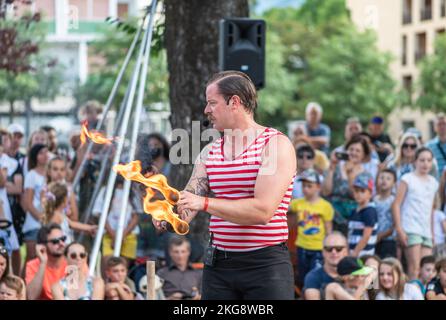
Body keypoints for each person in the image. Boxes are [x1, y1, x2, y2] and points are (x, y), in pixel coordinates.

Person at [171, 71, 296, 300]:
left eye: (212, 103)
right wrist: (168, 216)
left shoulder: (276, 145)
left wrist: (204, 203)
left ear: (234, 102)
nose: (206, 110)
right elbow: (189, 204)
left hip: (265, 266)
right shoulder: (210, 151)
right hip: (219, 266)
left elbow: (263, 211)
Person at [392, 147, 439, 280]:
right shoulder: (408, 178)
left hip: (426, 231)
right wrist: (399, 229)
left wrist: (433, 233)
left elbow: (431, 210)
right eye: (422, 160)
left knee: (427, 270)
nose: (425, 163)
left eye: (429, 160)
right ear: (415, 161)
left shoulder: (433, 182)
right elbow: (396, 204)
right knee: (414, 268)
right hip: (410, 228)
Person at [288, 169, 334, 287]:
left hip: (318, 247)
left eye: (309, 186)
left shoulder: (325, 206)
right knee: (302, 275)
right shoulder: (298, 203)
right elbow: (285, 206)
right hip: (301, 246)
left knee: (315, 276)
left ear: (318, 187)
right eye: (303, 185)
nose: (305, 189)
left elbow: (329, 229)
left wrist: (329, 247)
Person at [322, 135, 376, 230]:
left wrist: (350, 173)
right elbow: (326, 192)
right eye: (351, 149)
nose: (353, 153)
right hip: (331, 220)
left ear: (363, 155)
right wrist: (332, 167)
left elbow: (355, 195)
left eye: (358, 150)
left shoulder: (366, 175)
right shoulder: (336, 168)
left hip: (354, 221)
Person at [92, 175, 139, 263]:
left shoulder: (133, 192)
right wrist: (114, 236)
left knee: (121, 268)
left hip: (128, 235)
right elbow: (100, 215)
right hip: (109, 234)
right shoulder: (106, 190)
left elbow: (135, 217)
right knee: (108, 264)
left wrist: (121, 236)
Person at [22, 144, 49, 263]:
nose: (45, 155)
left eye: (46, 152)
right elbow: (28, 203)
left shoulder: (50, 175)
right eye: (41, 153)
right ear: (35, 156)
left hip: (47, 223)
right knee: (31, 258)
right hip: (33, 224)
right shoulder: (31, 175)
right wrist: (42, 218)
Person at [25, 223, 68, 300]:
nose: (61, 244)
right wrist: (43, 263)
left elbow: (76, 295)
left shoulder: (72, 262)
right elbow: (31, 297)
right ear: (43, 245)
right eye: (55, 241)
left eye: (63, 239)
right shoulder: (32, 265)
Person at [303, 232, 348, 300]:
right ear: (323, 251)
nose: (334, 252)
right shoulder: (313, 277)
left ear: (346, 251)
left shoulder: (356, 274)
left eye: (338, 248)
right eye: (329, 248)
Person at [0, 131, 21, 274]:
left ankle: (12, 278)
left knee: (11, 247)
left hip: (3, 212)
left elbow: (2, 183)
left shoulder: (7, 161)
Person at [157, 236, 202, 300]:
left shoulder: (199, 274)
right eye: (176, 252)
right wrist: (169, 298)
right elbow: (154, 296)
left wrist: (197, 297)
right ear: (170, 252)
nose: (180, 255)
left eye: (183, 251)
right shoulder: (161, 273)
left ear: (188, 252)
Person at [348, 172, 378, 257]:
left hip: (364, 255)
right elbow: (350, 233)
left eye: (362, 191)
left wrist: (355, 253)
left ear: (370, 193)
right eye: (356, 191)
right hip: (352, 252)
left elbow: (366, 236)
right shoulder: (354, 211)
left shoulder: (369, 211)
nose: (359, 194)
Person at [47, 156, 79, 222]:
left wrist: (68, 215)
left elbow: (75, 218)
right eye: (55, 169)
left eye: (62, 170)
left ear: (65, 172)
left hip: (64, 228)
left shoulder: (69, 190)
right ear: (49, 172)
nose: (59, 172)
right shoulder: (45, 189)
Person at [374, 169, 397, 259]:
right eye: (381, 178)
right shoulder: (374, 199)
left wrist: (382, 235)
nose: (384, 181)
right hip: (374, 238)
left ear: (394, 183)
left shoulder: (393, 200)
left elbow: (395, 224)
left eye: (388, 179)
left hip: (389, 239)